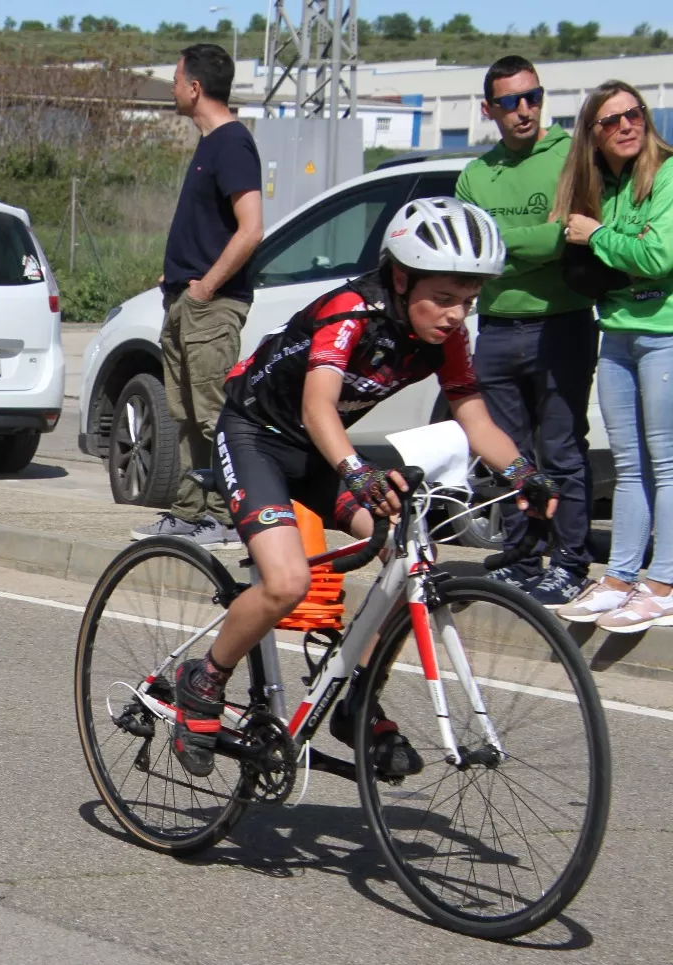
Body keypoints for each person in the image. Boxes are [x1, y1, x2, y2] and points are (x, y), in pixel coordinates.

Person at [167, 198, 557, 780]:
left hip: (320, 449)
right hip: (256, 436)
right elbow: (317, 406)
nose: (455, 316)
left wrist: (524, 473)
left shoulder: (445, 337)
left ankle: (357, 698)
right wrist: (357, 470)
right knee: (288, 582)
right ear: (401, 279)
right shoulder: (350, 311)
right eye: (443, 298)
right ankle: (203, 681)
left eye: (468, 302)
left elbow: (474, 416)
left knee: (411, 555)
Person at [454, 56, 598, 607]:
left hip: (561, 323)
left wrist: (507, 240)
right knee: (509, 455)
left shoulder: (570, 156)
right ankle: (520, 559)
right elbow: (475, 251)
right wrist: (536, 239)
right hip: (495, 327)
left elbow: (569, 238)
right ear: (488, 109)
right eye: (510, 101)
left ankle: (570, 563)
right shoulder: (475, 175)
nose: (524, 110)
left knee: (561, 450)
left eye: (532, 97)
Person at [133, 43, 264, 548]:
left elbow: (251, 229)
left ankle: (227, 518)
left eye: (175, 80)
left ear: (195, 87)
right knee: (185, 415)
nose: (171, 88)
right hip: (185, 304)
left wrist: (205, 288)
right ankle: (191, 512)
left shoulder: (232, 144)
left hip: (210, 307)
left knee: (212, 416)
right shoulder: (210, 143)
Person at [555, 82, 673, 633]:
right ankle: (622, 576)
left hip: (664, 333)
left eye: (633, 114)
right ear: (593, 135)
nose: (626, 125)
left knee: (666, 464)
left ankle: (663, 581)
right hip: (618, 332)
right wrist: (605, 244)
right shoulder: (601, 186)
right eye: (610, 120)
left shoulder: (668, 174)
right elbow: (586, 257)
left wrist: (599, 235)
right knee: (629, 465)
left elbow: (659, 255)